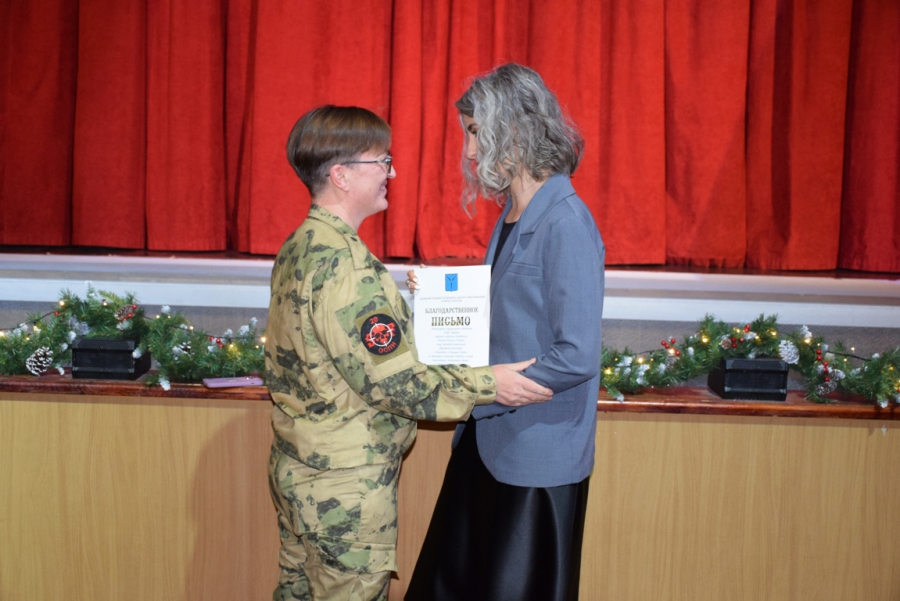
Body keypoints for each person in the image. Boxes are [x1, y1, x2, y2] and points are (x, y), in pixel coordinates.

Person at [264, 105, 553, 601]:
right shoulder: (347, 267)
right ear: (341, 174)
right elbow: (399, 384)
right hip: (343, 489)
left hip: (303, 471)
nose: (391, 173)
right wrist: (492, 384)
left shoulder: (302, 244)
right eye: (381, 161)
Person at [405, 64, 606, 601]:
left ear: (513, 130)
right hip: (486, 446)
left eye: (475, 131)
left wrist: (489, 390)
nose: (469, 151)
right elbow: (501, 320)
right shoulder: (515, 212)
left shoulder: (565, 220)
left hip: (535, 463)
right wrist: (437, 302)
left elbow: (577, 354)